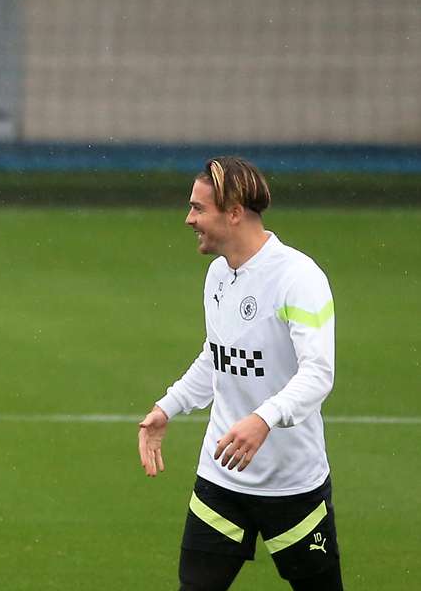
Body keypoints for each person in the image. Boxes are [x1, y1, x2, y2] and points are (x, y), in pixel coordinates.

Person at [137, 157, 342, 590]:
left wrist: (263, 419)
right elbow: (219, 355)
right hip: (222, 478)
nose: (188, 218)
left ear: (233, 212)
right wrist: (167, 407)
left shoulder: (298, 278)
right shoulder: (217, 275)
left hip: (292, 486)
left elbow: (319, 373)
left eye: (198, 208)